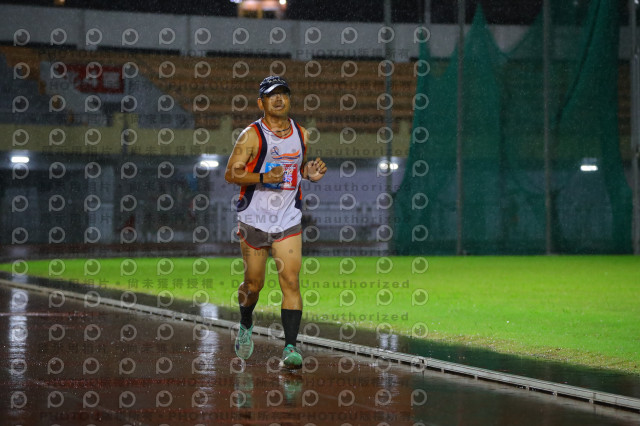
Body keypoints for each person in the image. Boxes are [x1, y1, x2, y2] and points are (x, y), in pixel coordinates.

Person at [224, 75, 327, 369]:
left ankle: (291, 348)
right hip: (254, 220)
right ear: (262, 102)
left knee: (291, 281)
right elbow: (231, 173)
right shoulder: (251, 135)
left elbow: (296, 170)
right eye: (272, 95)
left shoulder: (302, 134)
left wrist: (309, 173)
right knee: (253, 284)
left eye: (283, 93)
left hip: (288, 220)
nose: (279, 99)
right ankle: (246, 322)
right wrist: (262, 177)